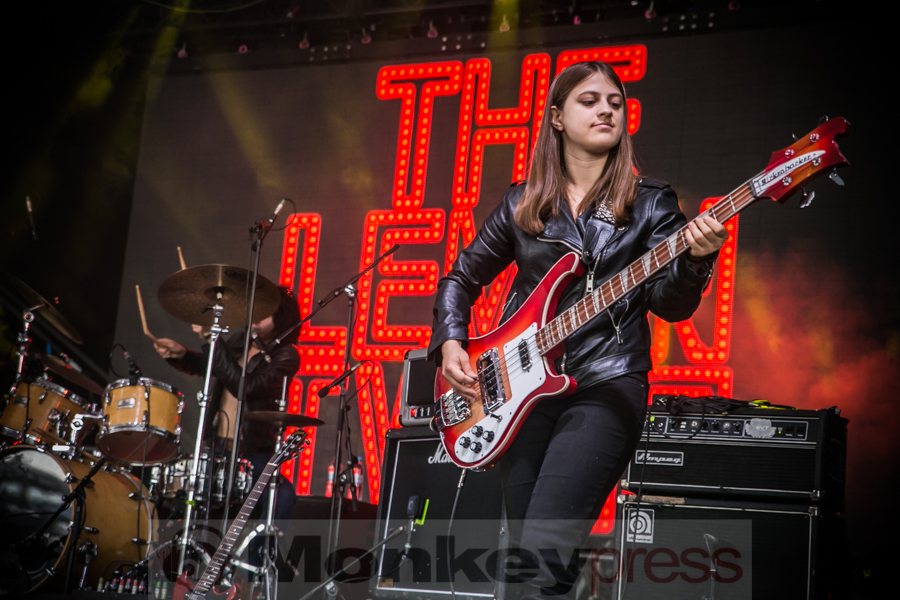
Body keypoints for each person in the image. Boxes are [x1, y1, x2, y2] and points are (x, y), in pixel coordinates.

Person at [428, 61, 728, 598]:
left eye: (614, 101)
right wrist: (452, 341)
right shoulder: (523, 203)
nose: (606, 109)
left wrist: (695, 262)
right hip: (518, 394)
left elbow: (669, 304)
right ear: (557, 118)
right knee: (538, 566)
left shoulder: (651, 203)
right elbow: (461, 278)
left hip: (605, 385)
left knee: (538, 552)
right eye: (589, 100)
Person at [153, 286, 302, 550]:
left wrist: (213, 338)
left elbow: (245, 387)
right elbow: (216, 367)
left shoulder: (286, 355)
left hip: (253, 453)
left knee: (283, 496)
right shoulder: (239, 341)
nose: (256, 316)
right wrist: (183, 356)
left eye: (266, 313)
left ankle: (258, 572)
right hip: (217, 447)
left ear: (282, 318)